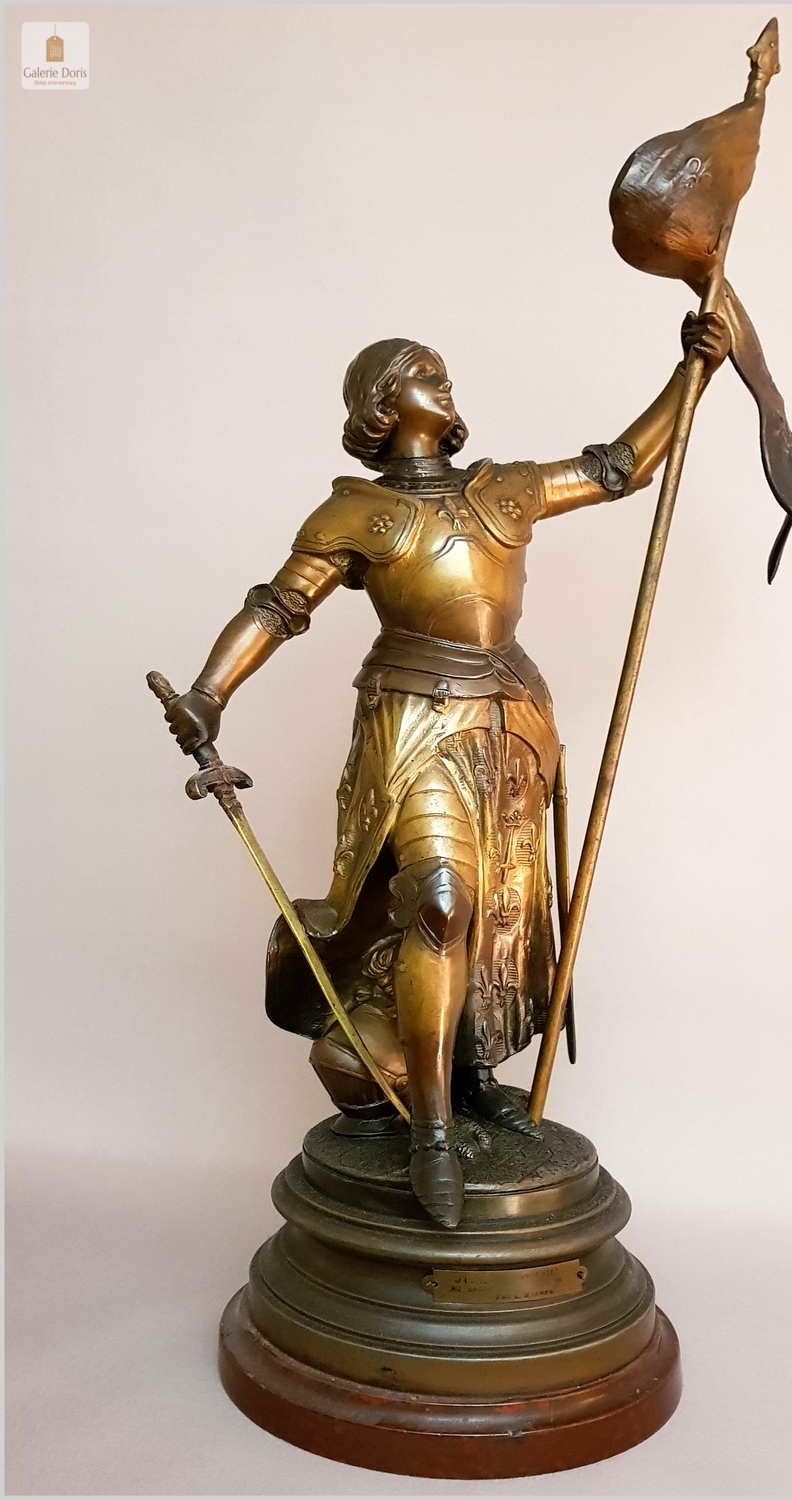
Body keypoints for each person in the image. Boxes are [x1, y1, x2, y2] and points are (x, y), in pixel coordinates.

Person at [165, 312, 730, 1227]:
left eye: (441, 370)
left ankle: (472, 1076)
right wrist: (207, 692)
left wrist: (691, 369)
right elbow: (277, 608)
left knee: (504, 916)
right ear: (382, 404)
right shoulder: (355, 513)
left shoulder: (503, 489)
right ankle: (430, 1130)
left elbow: (619, 468)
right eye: (423, 371)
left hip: (513, 723)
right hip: (414, 720)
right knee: (437, 901)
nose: (444, 379)